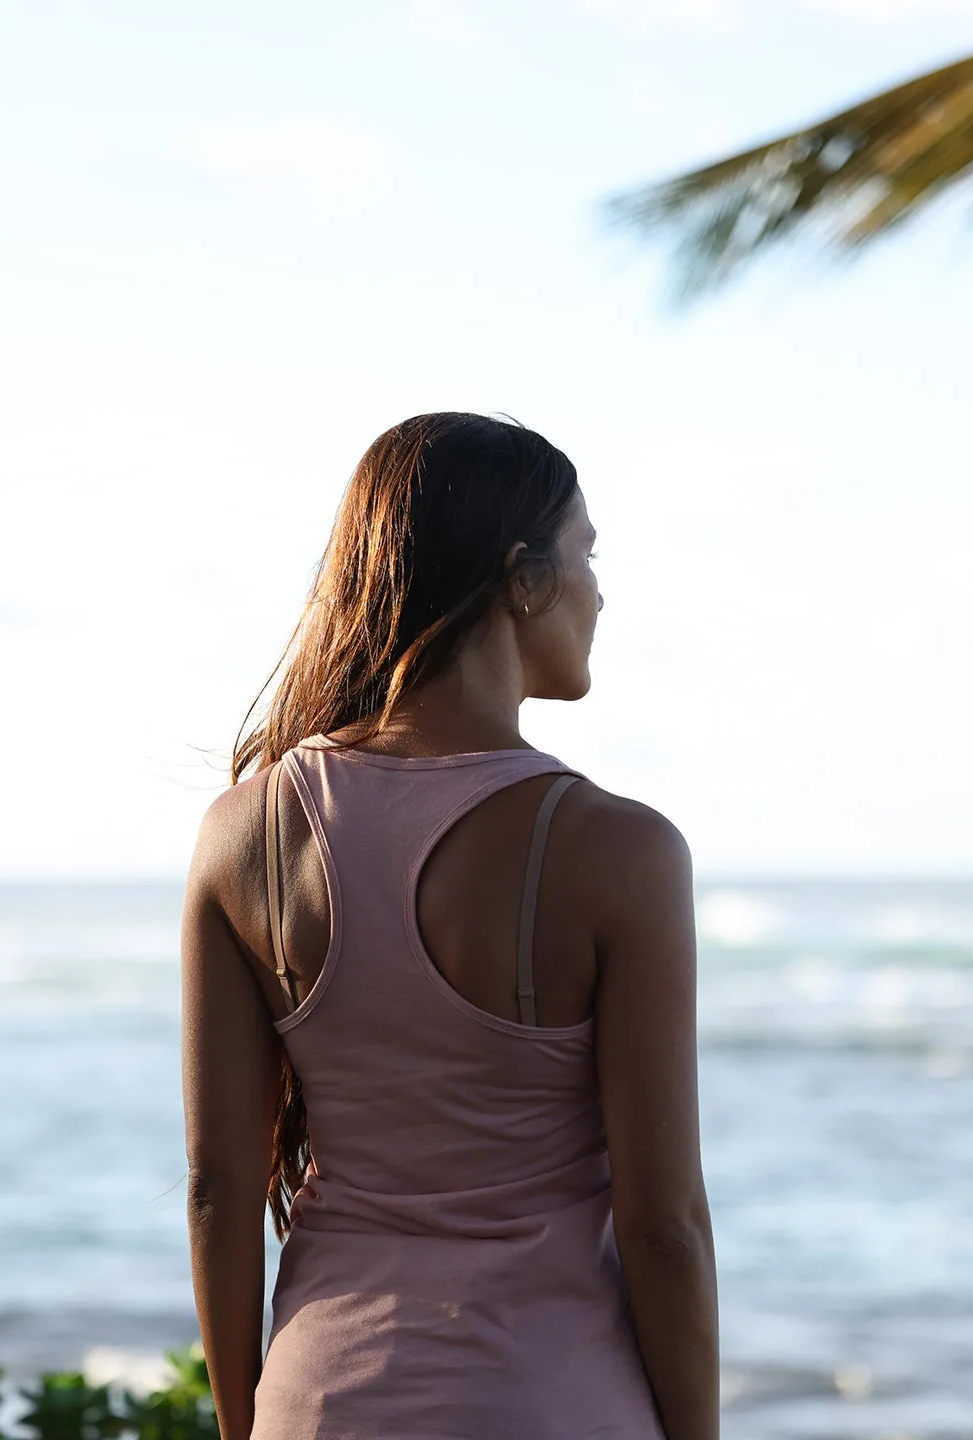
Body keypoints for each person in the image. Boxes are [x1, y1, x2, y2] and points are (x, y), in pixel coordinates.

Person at [181, 412, 719, 1440]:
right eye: (587, 555)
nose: (600, 591)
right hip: (549, 1404)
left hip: (320, 1402)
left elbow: (218, 1189)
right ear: (522, 579)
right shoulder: (622, 852)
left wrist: (244, 1424)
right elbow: (665, 1231)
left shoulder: (243, 835)